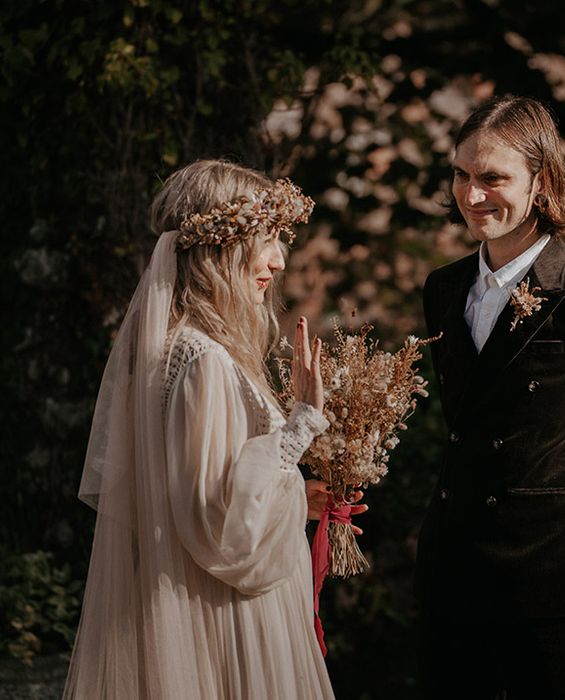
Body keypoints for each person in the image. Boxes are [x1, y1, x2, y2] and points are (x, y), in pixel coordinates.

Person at [63, 159, 364, 699]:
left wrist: (295, 495)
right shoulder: (203, 360)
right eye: (265, 240)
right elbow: (223, 529)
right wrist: (301, 423)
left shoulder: (176, 348)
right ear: (219, 248)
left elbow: (201, 493)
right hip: (229, 620)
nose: (278, 260)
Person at [415, 95, 565, 700]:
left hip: (554, 586)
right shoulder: (443, 289)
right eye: (461, 175)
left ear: (541, 180)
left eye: (492, 177)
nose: (472, 196)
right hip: (455, 574)